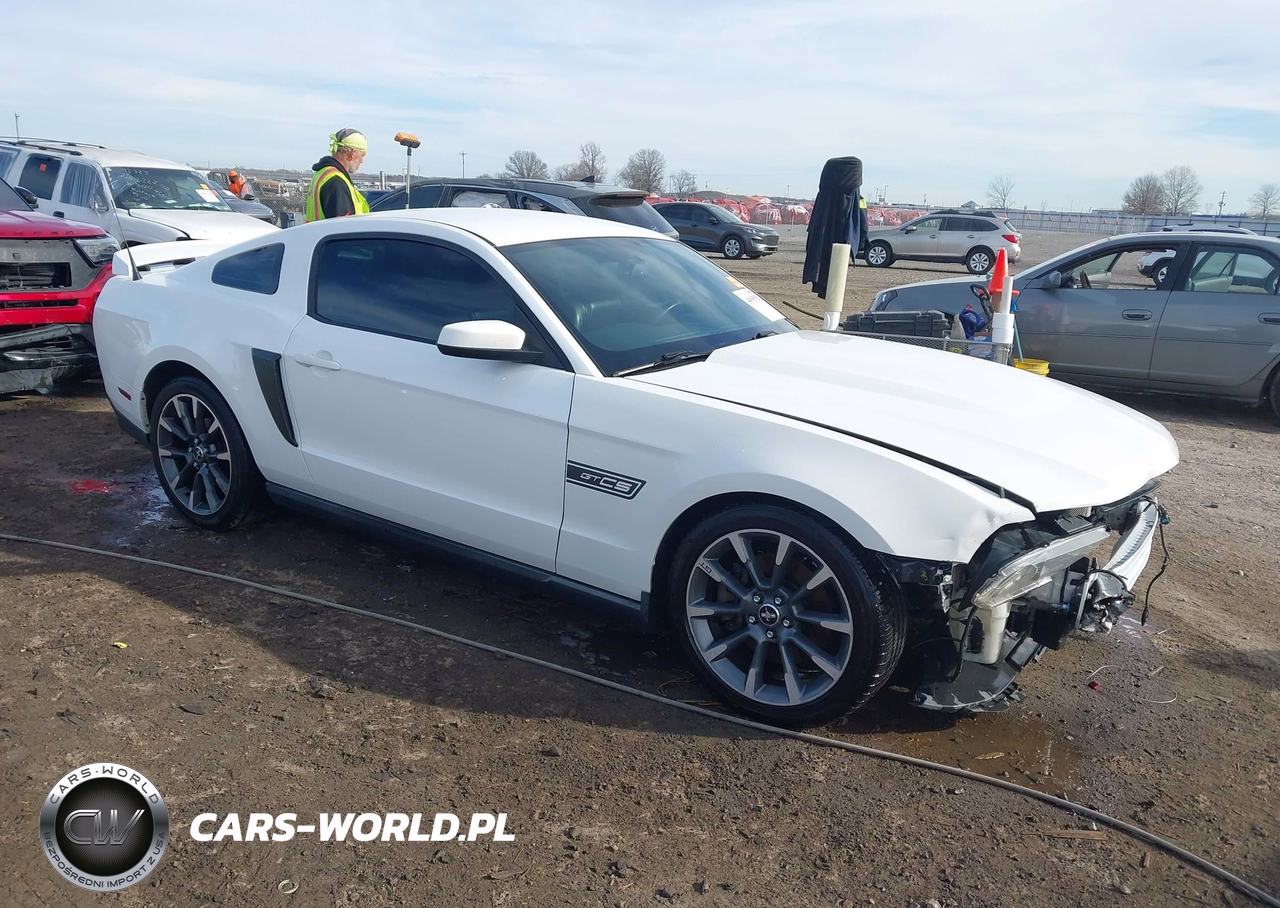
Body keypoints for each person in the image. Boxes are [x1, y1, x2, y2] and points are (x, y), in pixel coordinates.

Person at [305, 128, 370, 222]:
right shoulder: (336, 182)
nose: (362, 161)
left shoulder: (322, 173)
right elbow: (343, 227)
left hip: (317, 235)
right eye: (362, 155)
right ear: (351, 153)